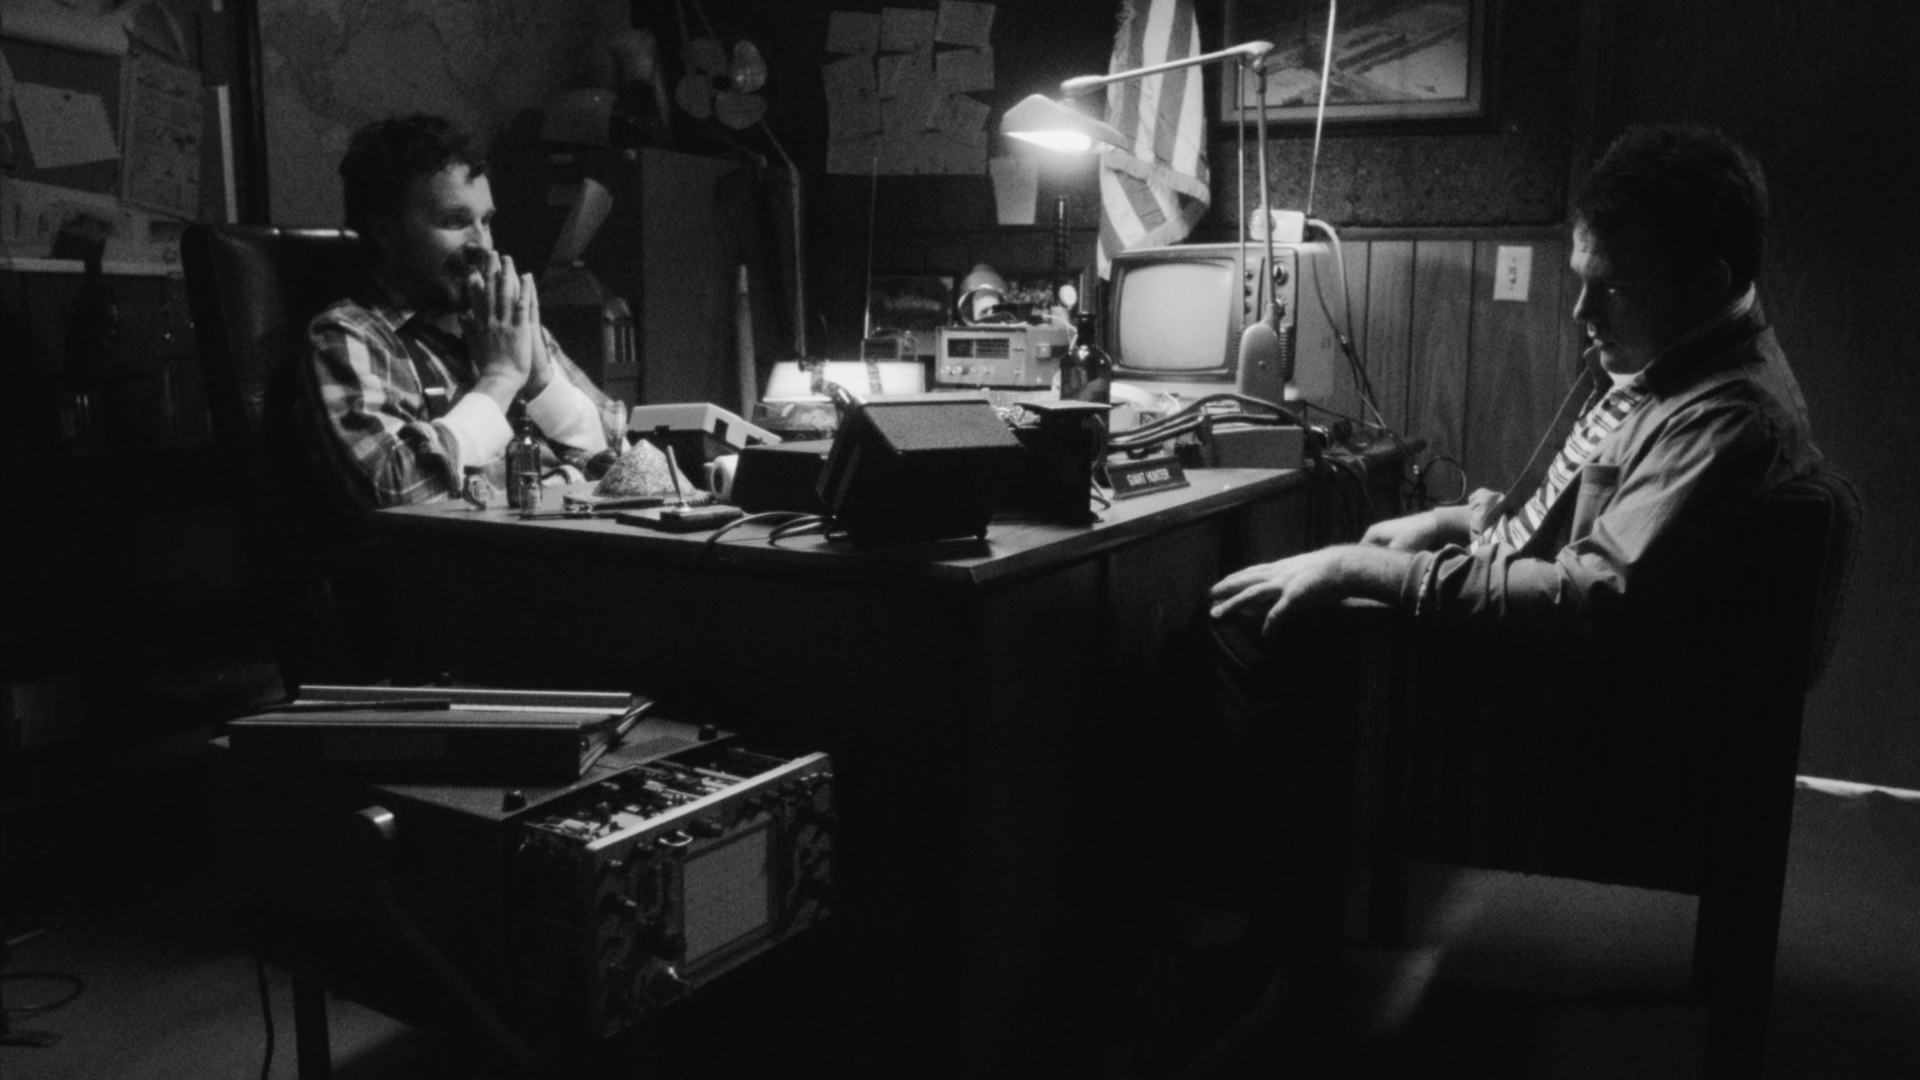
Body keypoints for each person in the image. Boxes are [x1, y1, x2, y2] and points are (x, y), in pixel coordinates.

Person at [1209, 124, 1820, 638]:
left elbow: (1581, 596)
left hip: (1521, 681)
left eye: (1613, 288)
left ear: (1707, 285)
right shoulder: (1666, 363)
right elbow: (1569, 524)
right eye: (1582, 279)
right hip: (1505, 625)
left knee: (1232, 636)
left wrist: (1360, 569)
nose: (1581, 311)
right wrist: (1454, 523)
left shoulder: (1728, 417)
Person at [304, 114, 618, 511]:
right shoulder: (347, 336)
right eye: (455, 222)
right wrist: (500, 378)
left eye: (486, 221)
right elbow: (394, 490)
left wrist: (541, 381)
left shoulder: (502, 324)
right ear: (387, 233)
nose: (482, 245)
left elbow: (625, 463)